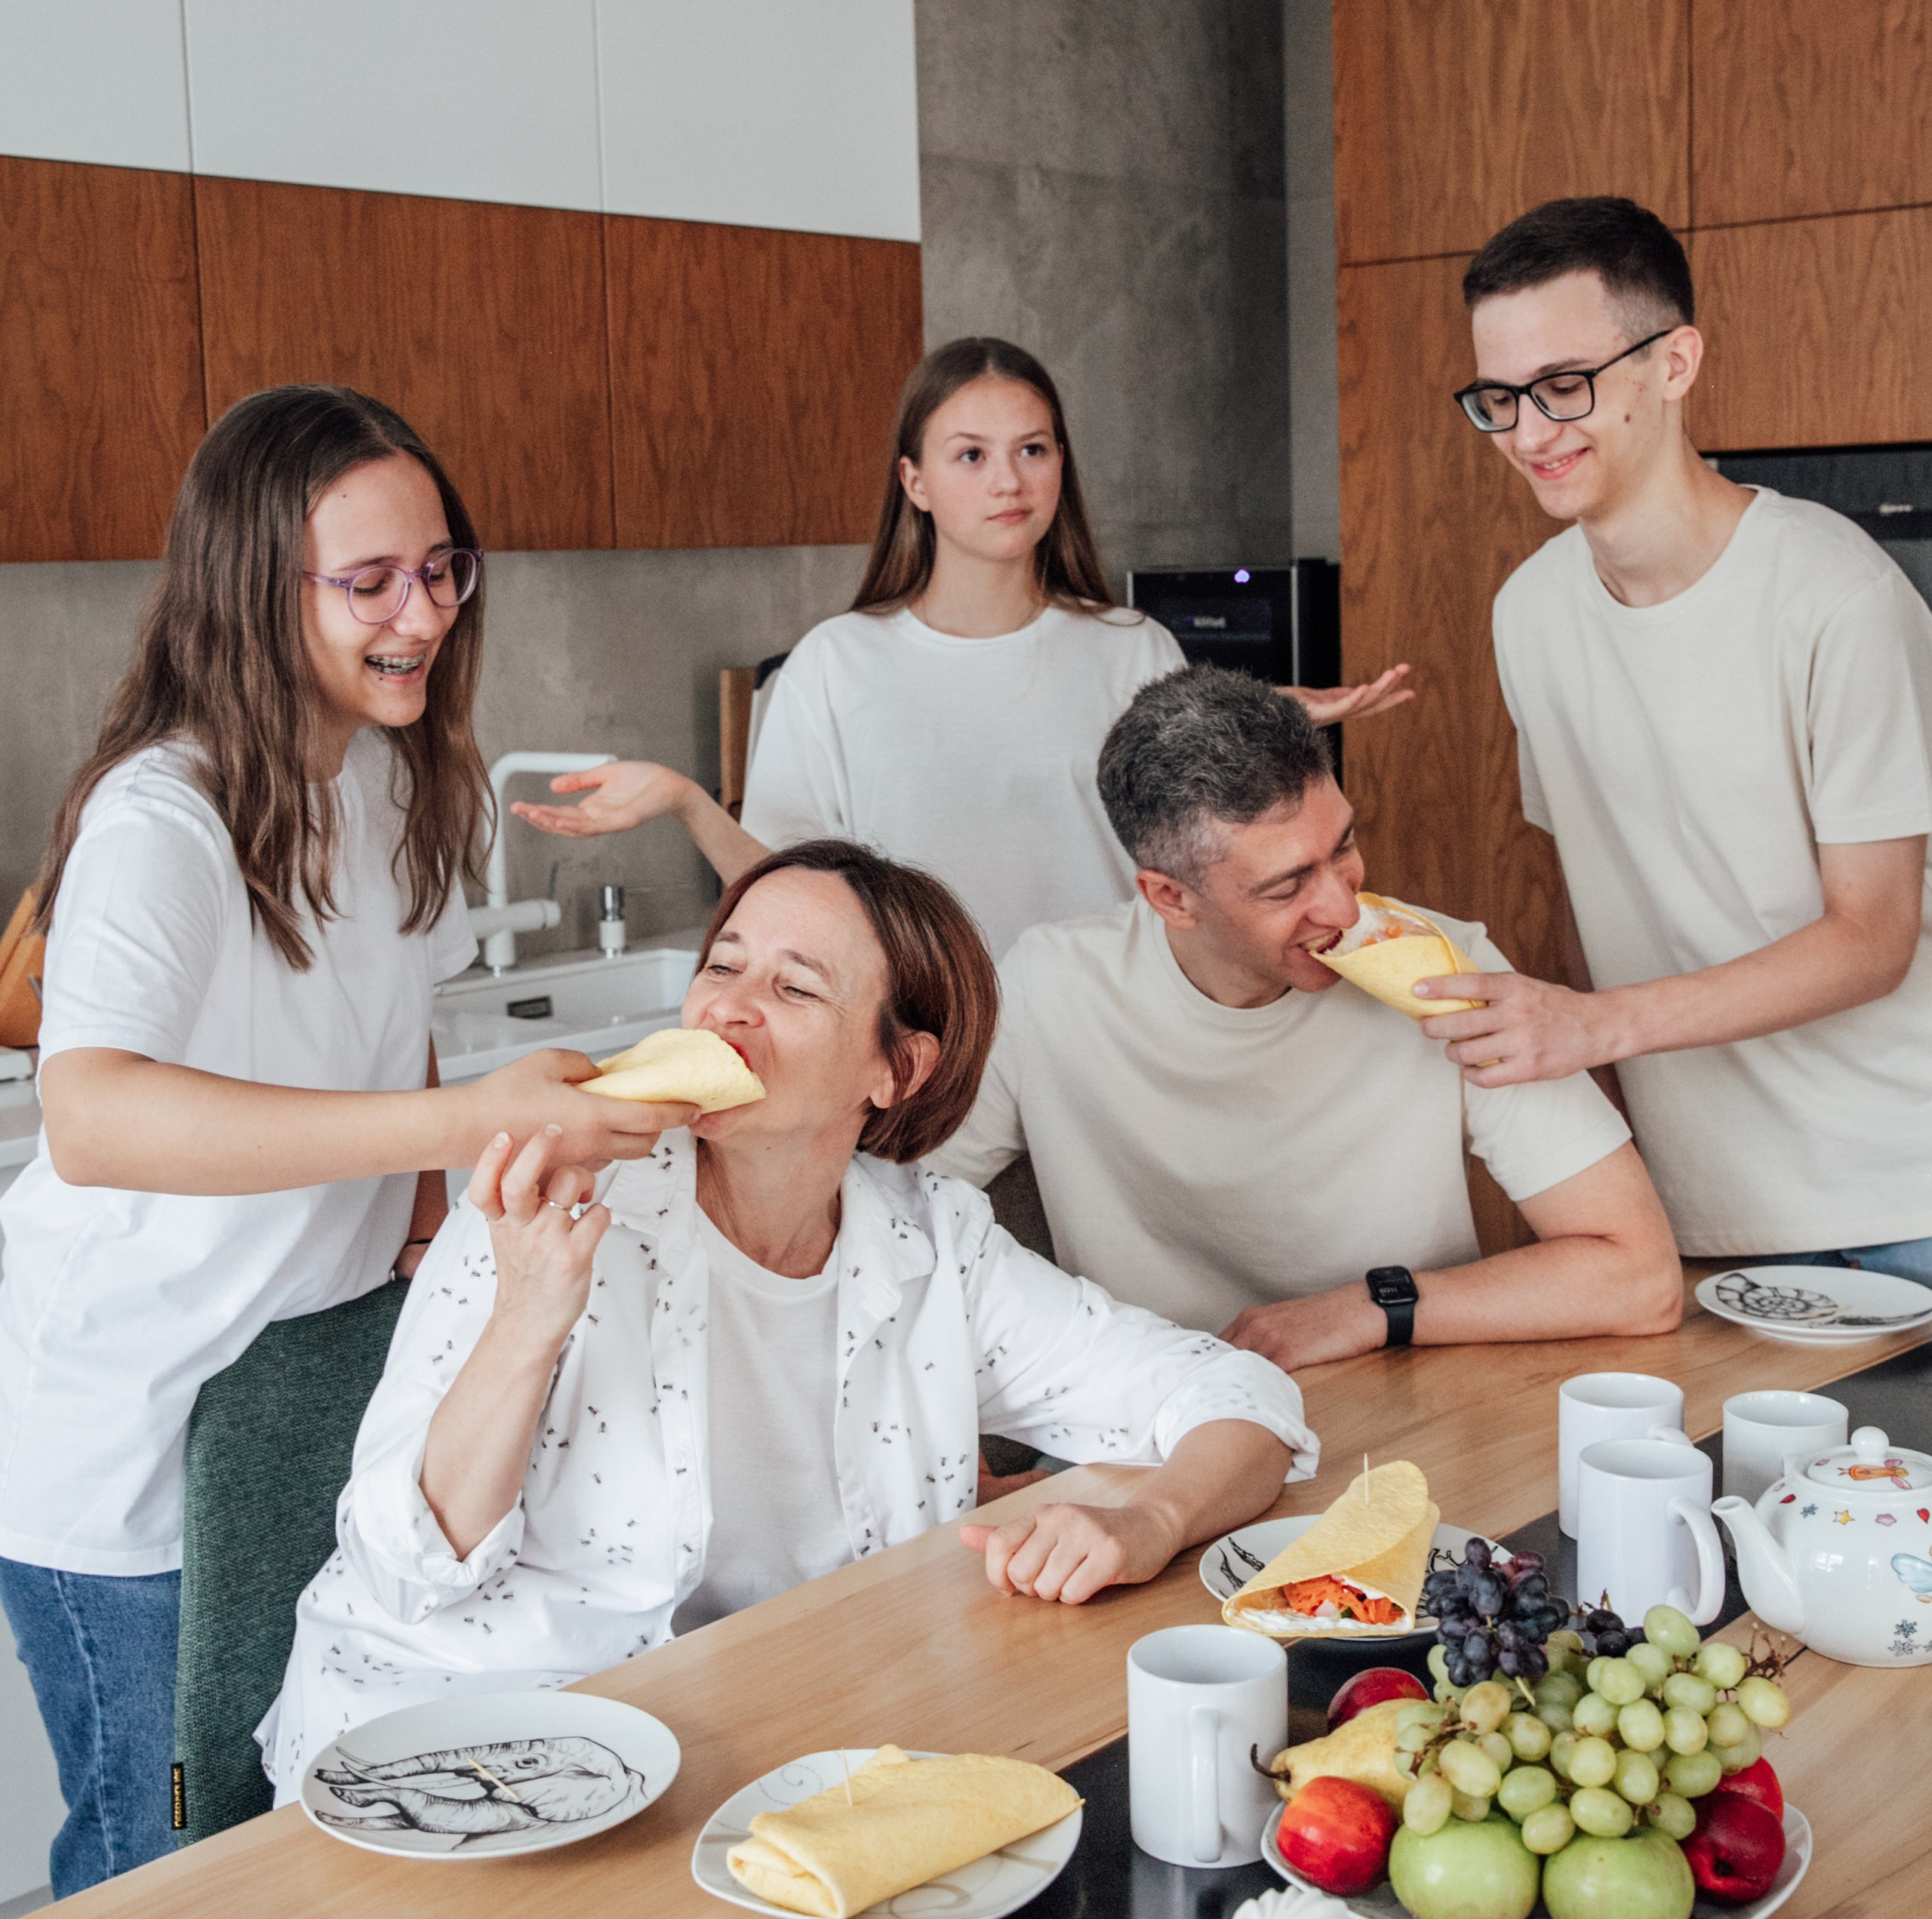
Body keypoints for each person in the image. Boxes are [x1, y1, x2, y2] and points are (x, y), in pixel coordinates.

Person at [0, 389, 684, 1895]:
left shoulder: (385, 777)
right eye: (369, 581)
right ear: (255, 588)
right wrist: (461, 1123)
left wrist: (438, 1228)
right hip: (125, 1436)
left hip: (296, 1386)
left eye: (441, 569)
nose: (422, 612)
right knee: (155, 1862)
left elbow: (399, 1025)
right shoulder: (161, 820)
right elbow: (93, 1112)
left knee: (276, 1834)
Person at [260, 841, 1315, 1793]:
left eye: (793, 986)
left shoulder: (935, 1244)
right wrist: (528, 1321)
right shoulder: (557, 1202)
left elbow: (1241, 1398)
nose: (728, 1008)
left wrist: (1151, 1519)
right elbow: (405, 1568)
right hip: (450, 1760)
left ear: (896, 1069)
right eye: (722, 966)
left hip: (754, 1749)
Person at [512, 337, 1412, 961]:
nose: (1009, 481)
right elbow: (788, 895)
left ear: (1062, 462)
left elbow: (1209, 854)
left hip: (1114, 1045)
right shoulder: (834, 666)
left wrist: (1258, 723)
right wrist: (682, 801)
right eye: (971, 455)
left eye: (1032, 449)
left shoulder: (1132, 649)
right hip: (926, 1060)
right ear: (916, 481)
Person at [1420, 195, 1932, 1282]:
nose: (1530, 434)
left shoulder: (1839, 597)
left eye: (1566, 387)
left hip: (1903, 1186)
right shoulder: (1529, 611)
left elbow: (1875, 937)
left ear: (1675, 362)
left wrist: (1595, 1029)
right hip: (1697, 1210)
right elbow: (1604, 890)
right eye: (1500, 398)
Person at [932, 666, 1682, 1366]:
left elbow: (1640, 1276)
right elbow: (887, 1228)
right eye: (1286, 886)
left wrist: (1367, 1309)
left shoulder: (1449, 964)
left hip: (1403, 1403)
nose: (1344, 906)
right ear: (1170, 898)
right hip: (1151, 1431)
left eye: (1344, 845)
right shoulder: (1045, 989)